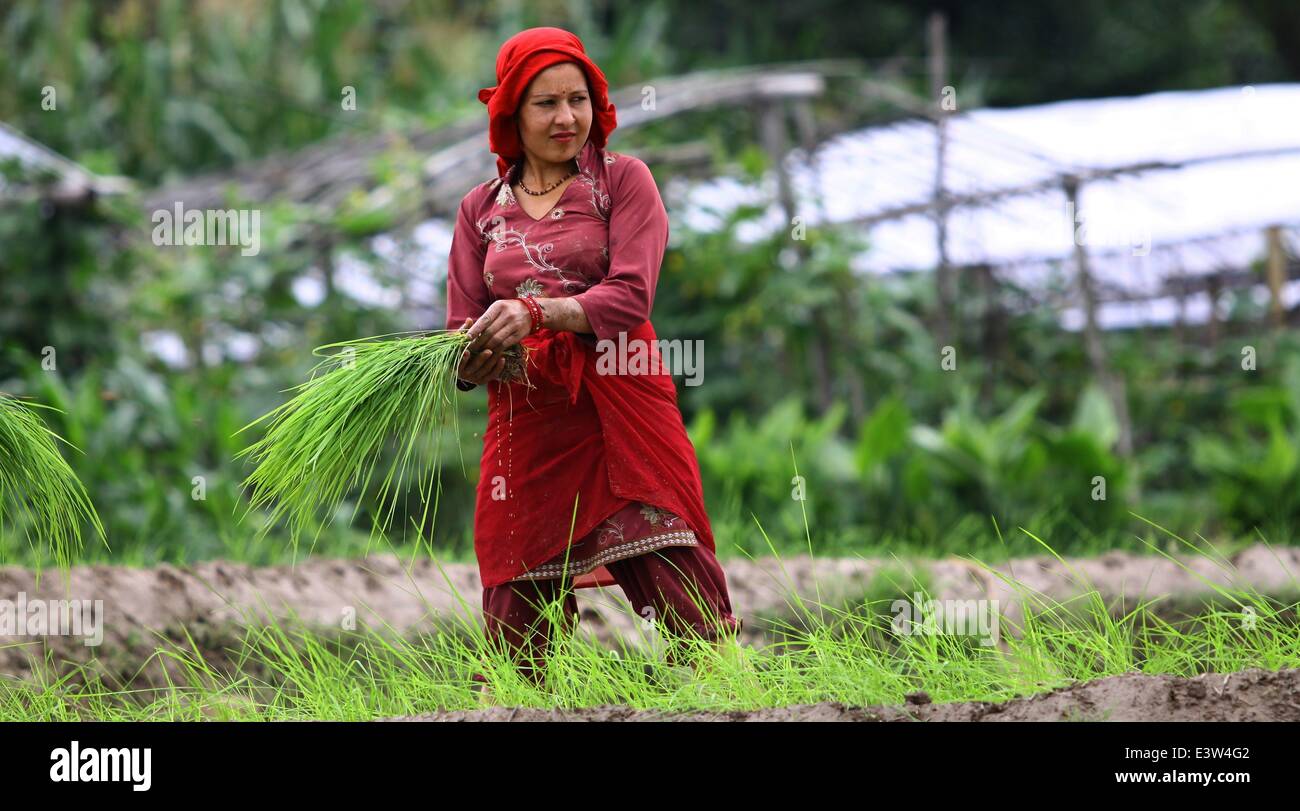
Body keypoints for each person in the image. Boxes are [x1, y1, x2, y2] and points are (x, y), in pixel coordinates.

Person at [444, 26, 743, 701]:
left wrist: (537, 313)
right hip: (527, 418)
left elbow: (632, 293)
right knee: (515, 596)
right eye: (545, 103)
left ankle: (730, 702)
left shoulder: (623, 182)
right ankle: (517, 708)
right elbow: (460, 335)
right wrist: (476, 355)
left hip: (620, 404)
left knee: (670, 558)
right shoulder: (478, 211)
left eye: (578, 99)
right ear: (512, 113)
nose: (566, 118)